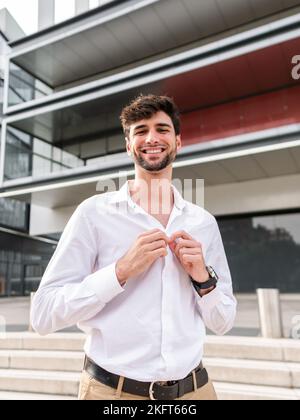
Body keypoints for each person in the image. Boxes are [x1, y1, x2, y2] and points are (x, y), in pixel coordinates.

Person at [31, 94, 237, 400]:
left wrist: (203, 279)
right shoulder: (93, 213)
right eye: (140, 131)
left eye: (162, 129)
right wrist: (119, 272)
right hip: (112, 393)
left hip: (195, 391)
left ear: (178, 142)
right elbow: (43, 315)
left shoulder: (203, 223)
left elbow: (223, 322)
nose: (152, 138)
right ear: (129, 145)